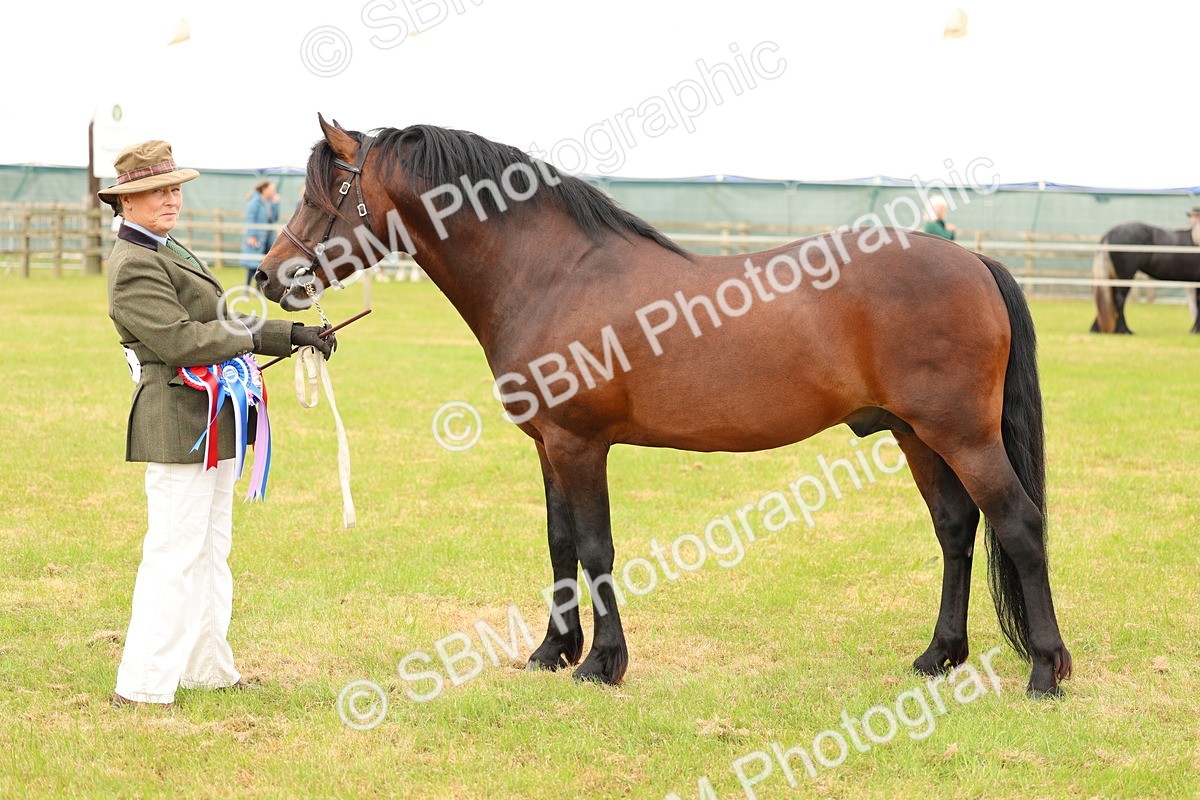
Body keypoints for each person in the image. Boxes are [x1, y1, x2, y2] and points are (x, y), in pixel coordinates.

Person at [100, 140, 334, 708]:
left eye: (175, 188)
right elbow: (180, 341)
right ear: (127, 201)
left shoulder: (166, 247)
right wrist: (255, 339)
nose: (172, 198)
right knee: (174, 553)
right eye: (159, 191)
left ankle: (207, 667)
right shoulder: (133, 264)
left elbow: (220, 317)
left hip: (214, 418)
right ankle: (142, 685)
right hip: (178, 421)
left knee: (210, 550)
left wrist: (289, 332)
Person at [242, 180, 281, 285]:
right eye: (272, 189)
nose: (274, 192)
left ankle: (258, 287)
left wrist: (276, 204)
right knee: (253, 264)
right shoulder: (255, 202)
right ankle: (247, 287)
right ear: (264, 189)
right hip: (257, 237)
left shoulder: (269, 203)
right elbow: (250, 219)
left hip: (267, 238)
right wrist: (252, 236)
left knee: (263, 263)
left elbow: (274, 218)